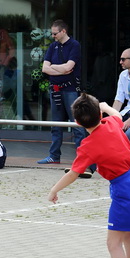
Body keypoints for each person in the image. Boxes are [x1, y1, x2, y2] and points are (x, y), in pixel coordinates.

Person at [47, 93, 130, 258]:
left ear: (77, 122)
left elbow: (74, 173)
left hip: (123, 187)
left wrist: (54, 189)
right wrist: (104, 105)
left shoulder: (88, 144)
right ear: (99, 113)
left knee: (113, 243)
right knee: (127, 235)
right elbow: (115, 114)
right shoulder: (111, 123)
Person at [38, 20, 88, 173]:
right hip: (56, 90)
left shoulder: (74, 45)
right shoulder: (53, 47)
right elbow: (45, 68)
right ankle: (54, 156)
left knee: (77, 125)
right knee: (56, 125)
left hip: (70, 89)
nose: (52, 36)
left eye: (55, 33)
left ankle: (82, 159)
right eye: (52, 33)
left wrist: (53, 67)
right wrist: (58, 69)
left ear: (63, 31)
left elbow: (69, 67)